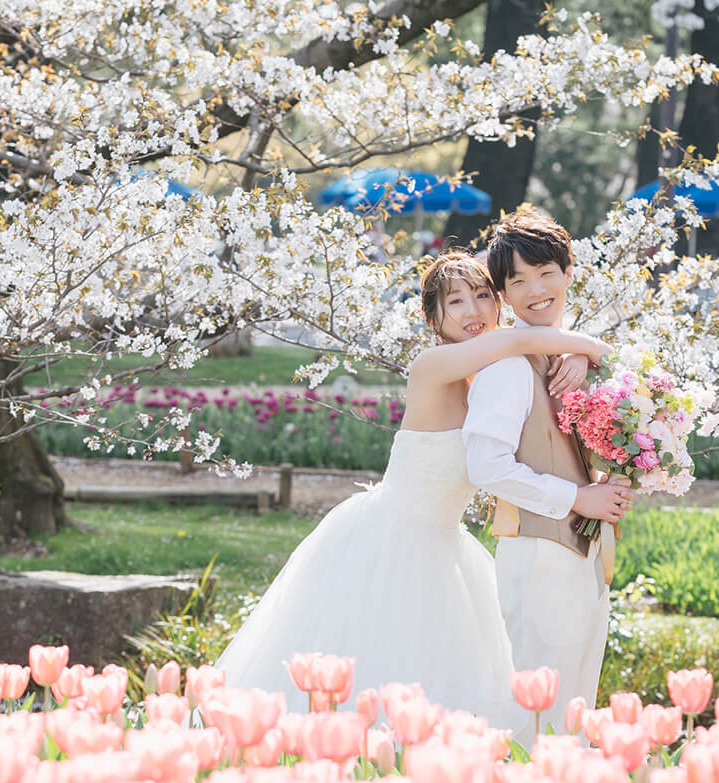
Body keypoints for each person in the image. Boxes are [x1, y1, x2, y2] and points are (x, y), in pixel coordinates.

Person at [216, 251, 609, 718]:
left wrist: (577, 362)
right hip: (393, 536)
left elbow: (525, 351)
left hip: (449, 545)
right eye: (456, 301)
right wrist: (587, 349)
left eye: (483, 296)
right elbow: (521, 340)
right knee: (377, 667)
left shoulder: (489, 378)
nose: (474, 311)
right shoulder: (433, 365)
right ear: (432, 318)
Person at [463, 205, 631, 744]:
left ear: (568, 274)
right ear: (503, 296)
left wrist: (582, 356)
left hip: (584, 554)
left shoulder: (566, 358)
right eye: (519, 281)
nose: (537, 289)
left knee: (573, 708)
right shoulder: (508, 368)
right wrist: (577, 499)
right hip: (538, 552)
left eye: (546, 274)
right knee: (538, 710)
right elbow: (485, 466)